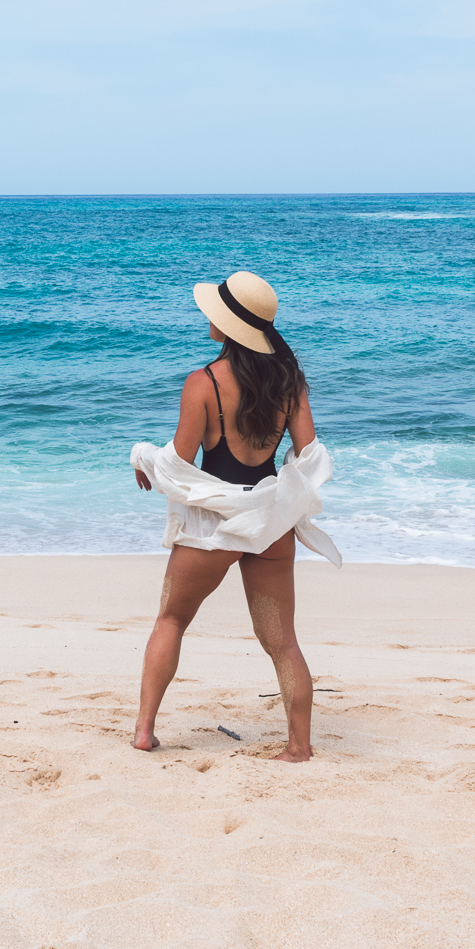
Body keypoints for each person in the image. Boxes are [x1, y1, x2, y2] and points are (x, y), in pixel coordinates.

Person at [130, 271, 337, 762]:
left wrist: (141, 457)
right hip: (268, 522)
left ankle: (144, 731)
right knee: (282, 642)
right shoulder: (290, 383)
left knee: (172, 619)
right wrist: (278, 499)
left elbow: (180, 463)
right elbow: (308, 455)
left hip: (213, 526)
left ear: (227, 324)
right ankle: (299, 747)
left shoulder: (202, 383)